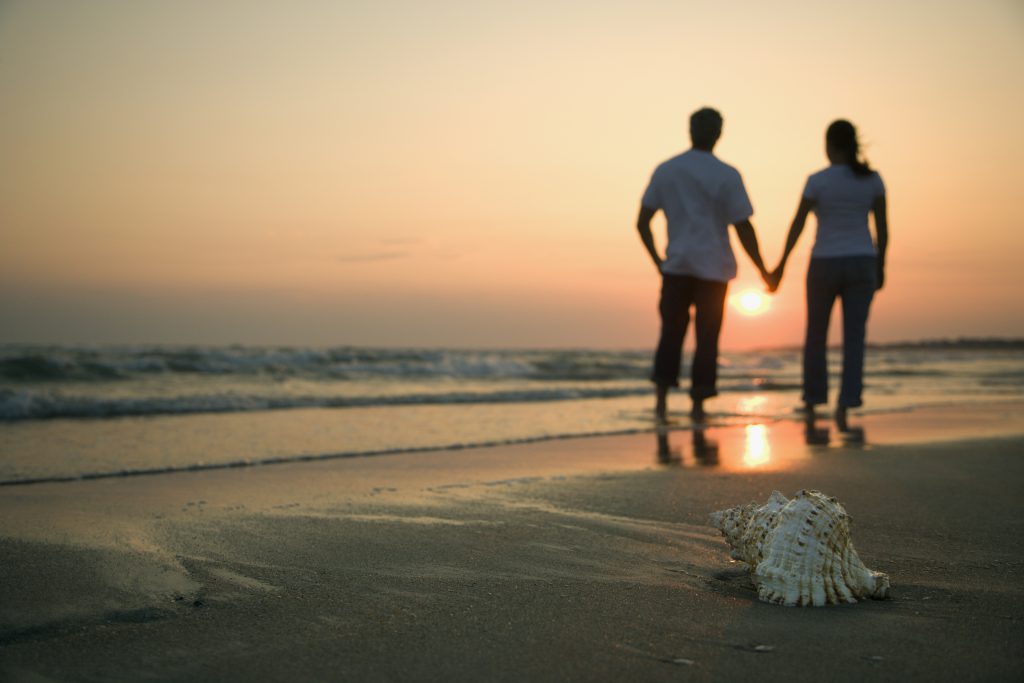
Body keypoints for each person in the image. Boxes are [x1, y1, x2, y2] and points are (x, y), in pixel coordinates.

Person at [637, 107, 771, 423]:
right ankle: (698, 406)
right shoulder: (727, 174)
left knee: (671, 334)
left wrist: (658, 259)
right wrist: (764, 270)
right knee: (707, 338)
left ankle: (661, 404)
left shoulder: (667, 169)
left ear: (690, 129)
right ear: (719, 133)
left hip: (677, 266)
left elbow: (642, 222)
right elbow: (743, 227)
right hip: (714, 269)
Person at [770, 119, 889, 428]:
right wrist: (881, 265)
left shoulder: (817, 180)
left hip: (824, 261)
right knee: (854, 338)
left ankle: (813, 399)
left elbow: (797, 225)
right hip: (862, 260)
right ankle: (847, 402)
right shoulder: (872, 180)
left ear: (829, 145)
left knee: (816, 336)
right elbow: (883, 230)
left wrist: (781, 264)